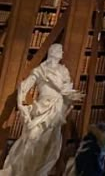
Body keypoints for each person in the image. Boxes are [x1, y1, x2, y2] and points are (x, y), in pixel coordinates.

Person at [0, 43, 83, 176]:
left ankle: (39, 172)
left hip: (57, 109)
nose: (62, 53)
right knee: (32, 140)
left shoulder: (63, 71)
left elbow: (67, 89)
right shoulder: (41, 70)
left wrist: (68, 97)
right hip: (42, 107)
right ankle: (21, 171)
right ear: (54, 52)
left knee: (50, 143)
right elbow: (24, 86)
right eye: (60, 51)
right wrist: (21, 105)